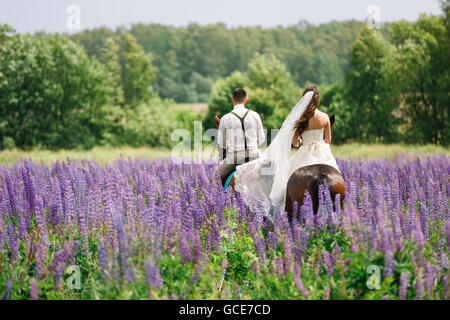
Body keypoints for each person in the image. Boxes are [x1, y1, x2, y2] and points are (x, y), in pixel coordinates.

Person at [233, 85, 340, 217]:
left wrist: (302, 142)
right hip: (322, 152)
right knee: (337, 175)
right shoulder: (324, 117)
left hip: (305, 152)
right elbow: (328, 140)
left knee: (286, 183)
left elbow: (295, 142)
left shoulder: (301, 118)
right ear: (317, 100)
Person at [217, 88, 265, 186]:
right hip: (254, 154)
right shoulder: (255, 115)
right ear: (245, 99)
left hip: (235, 157)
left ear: (232, 99)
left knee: (215, 178)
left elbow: (222, 143)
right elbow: (262, 139)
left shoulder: (225, 118)